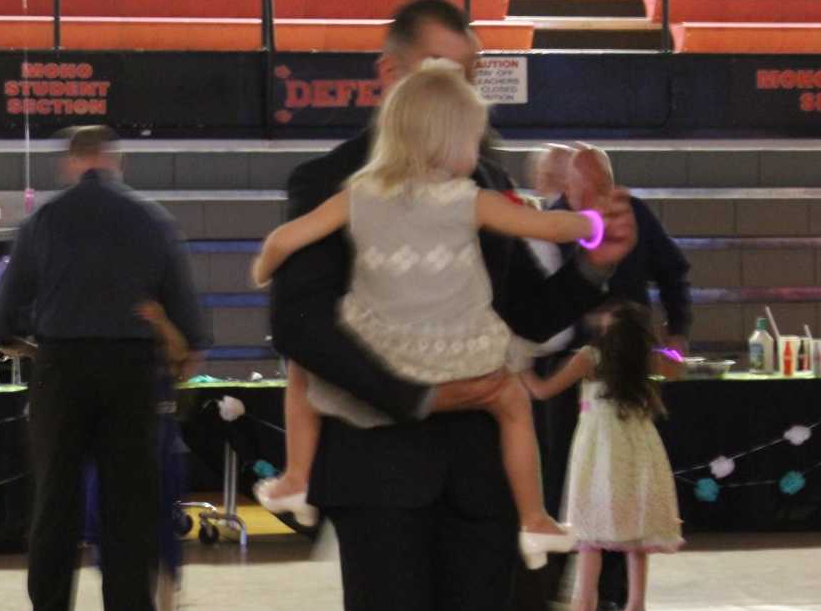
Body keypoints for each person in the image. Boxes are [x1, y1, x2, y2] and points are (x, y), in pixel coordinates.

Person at [268, 0, 637, 611]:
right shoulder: (330, 181)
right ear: (391, 75)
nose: (468, 91)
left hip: (478, 468)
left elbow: (522, 316)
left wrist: (593, 265)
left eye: (472, 74)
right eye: (449, 72)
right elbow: (299, 323)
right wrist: (416, 396)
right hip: (380, 461)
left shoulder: (486, 182)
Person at [252, 60, 601, 568]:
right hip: (458, 353)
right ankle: (534, 519)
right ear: (448, 142)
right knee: (511, 404)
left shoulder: (357, 196)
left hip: (383, 352)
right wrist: (590, 224)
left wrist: (264, 269)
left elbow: (285, 239)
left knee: (306, 372)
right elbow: (547, 229)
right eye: (472, 139)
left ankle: (296, 477)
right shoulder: (470, 199)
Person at [0, 125, 211, 611]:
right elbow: (189, 318)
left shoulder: (43, 220)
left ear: (71, 163)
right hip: (131, 374)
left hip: (60, 369)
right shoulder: (152, 219)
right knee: (129, 509)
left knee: (54, 509)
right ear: (116, 161)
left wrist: (35, 343)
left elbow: (6, 314)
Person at [526, 143, 692, 611]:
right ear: (568, 187)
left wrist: (677, 334)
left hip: (625, 367)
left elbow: (674, 273)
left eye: (602, 186)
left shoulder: (632, 213)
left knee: (620, 475)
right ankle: (555, 585)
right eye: (584, 189)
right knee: (561, 471)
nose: (595, 197)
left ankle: (613, 593)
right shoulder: (551, 224)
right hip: (566, 358)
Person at [528, 303, 682, 611]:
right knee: (635, 531)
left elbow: (542, 390)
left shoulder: (590, 357)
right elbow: (677, 366)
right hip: (638, 448)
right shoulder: (644, 360)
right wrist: (665, 346)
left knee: (590, 529)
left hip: (599, 448)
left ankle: (583, 610)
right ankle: (636, 610)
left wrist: (519, 367)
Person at [84, 300, 189, 611]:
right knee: (103, 533)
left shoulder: (157, 321)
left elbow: (181, 357)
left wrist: (160, 321)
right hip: (109, 440)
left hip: (157, 440)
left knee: (160, 537)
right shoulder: (100, 324)